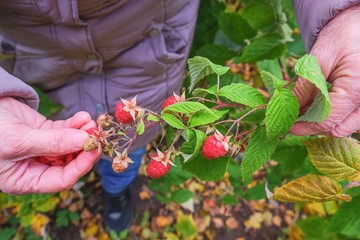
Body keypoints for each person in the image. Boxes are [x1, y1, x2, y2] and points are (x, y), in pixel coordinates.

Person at [0, 0, 359, 232]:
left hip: (148, 57)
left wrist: (343, 14)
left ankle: (116, 191)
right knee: (68, 137)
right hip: (37, 64)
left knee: (129, 151)